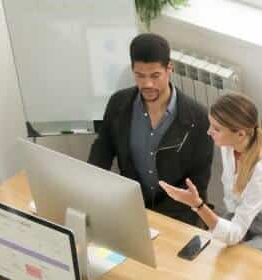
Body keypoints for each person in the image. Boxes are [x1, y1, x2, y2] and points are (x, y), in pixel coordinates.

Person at [88, 33, 214, 225]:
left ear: (169, 68)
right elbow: (102, 150)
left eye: (155, 76)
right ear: (132, 70)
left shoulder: (197, 118)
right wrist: (87, 191)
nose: (147, 84)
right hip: (132, 206)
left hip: (176, 215)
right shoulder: (119, 104)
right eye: (140, 75)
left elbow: (198, 181)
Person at [159, 93, 262, 259]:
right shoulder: (229, 145)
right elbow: (235, 213)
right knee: (206, 254)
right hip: (241, 218)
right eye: (211, 125)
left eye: (216, 129)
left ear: (240, 134)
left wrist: (198, 205)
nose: (208, 132)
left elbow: (234, 233)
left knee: (232, 262)